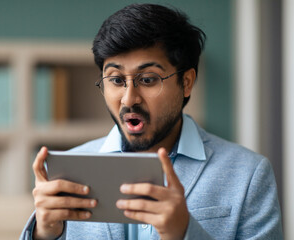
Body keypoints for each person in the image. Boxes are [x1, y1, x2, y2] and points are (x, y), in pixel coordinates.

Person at [21, 3, 283, 240]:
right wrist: (44, 234)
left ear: (187, 82)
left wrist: (184, 233)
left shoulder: (249, 174)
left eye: (148, 79)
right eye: (116, 79)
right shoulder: (68, 173)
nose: (128, 99)